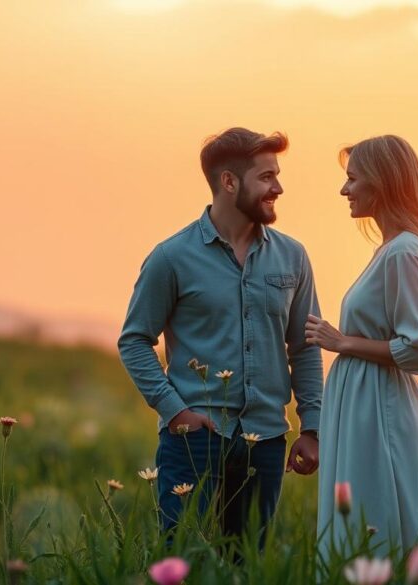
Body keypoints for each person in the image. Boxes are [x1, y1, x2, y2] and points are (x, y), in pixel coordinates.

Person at [118, 127, 323, 542]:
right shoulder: (171, 257)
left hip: (266, 441)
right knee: (186, 557)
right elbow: (134, 340)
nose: (278, 188)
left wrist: (311, 427)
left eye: (277, 175)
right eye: (266, 177)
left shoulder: (293, 256)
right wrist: (176, 412)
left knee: (249, 565)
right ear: (229, 182)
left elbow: (304, 347)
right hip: (193, 442)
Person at [304, 135, 418, 560]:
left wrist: (343, 341)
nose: (344, 190)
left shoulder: (405, 252)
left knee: (378, 527)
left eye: (353, 178)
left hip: (380, 410)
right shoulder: (390, 250)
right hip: (364, 406)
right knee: (361, 526)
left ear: (383, 181)